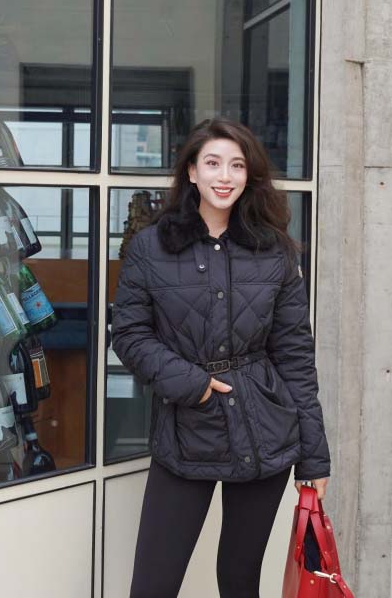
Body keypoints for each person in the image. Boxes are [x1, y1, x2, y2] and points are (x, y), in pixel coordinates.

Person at [111, 117, 331, 598]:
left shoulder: (274, 250)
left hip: (264, 434)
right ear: (192, 172)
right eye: (212, 163)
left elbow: (295, 354)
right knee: (153, 585)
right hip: (185, 432)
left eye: (237, 165)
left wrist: (314, 458)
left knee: (239, 581)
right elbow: (128, 333)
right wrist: (191, 383)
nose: (224, 176)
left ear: (249, 175)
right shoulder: (150, 247)